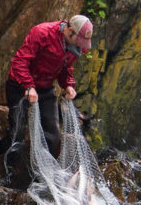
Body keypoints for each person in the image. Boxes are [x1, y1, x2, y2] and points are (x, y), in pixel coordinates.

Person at [6, 14, 93, 157]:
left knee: (53, 137)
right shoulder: (42, 33)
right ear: (69, 30)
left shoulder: (77, 47)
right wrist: (29, 86)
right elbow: (19, 62)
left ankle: (41, 175)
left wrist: (68, 85)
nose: (80, 46)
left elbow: (66, 68)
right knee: (16, 134)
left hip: (45, 89)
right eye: (78, 41)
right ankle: (5, 173)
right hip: (19, 86)